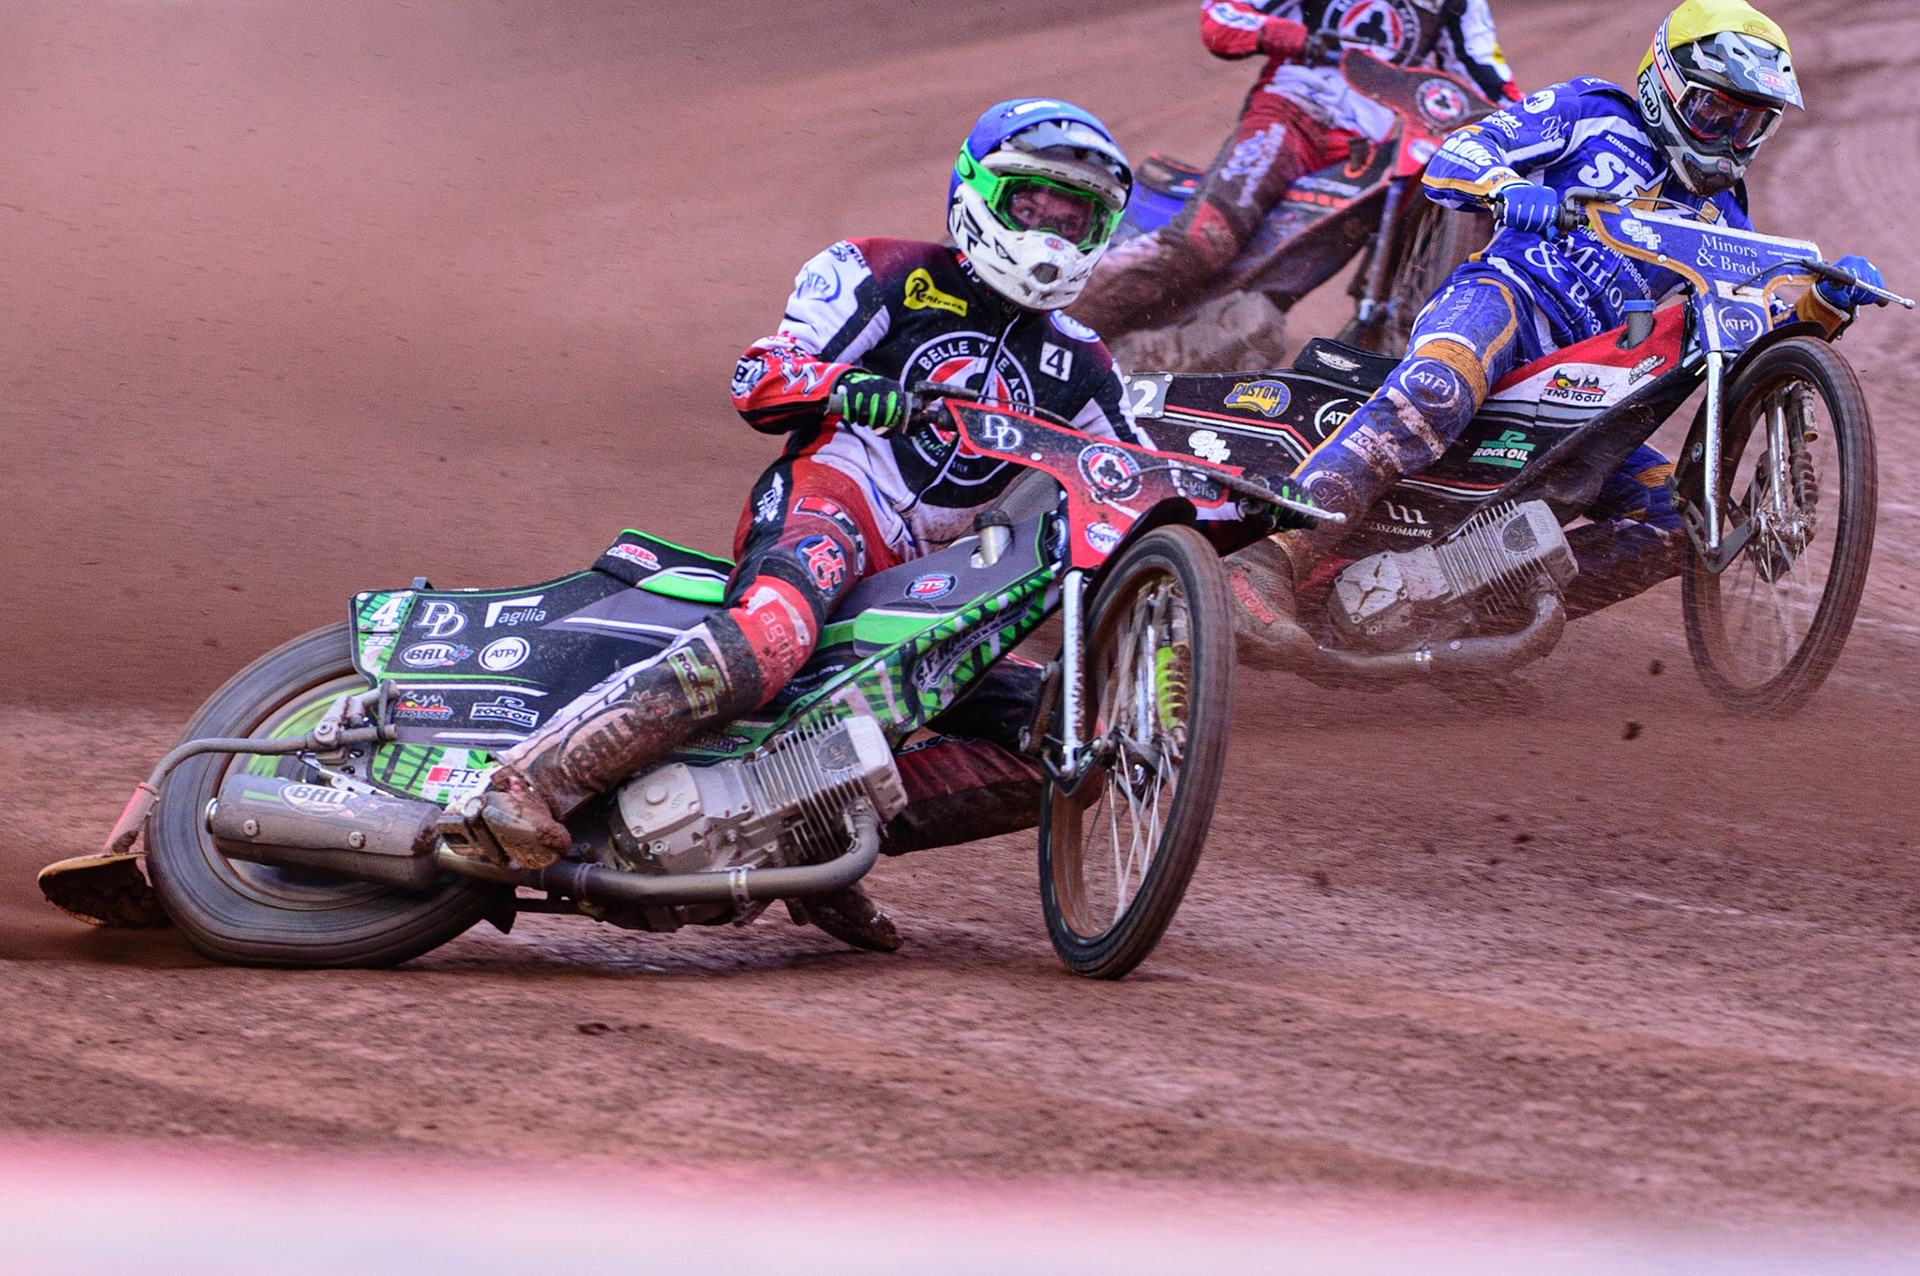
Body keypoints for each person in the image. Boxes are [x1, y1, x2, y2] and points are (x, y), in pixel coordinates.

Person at [468, 99, 1142, 950]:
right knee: (776, 636)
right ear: (978, 194)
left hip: (933, 583)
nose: (1051, 229)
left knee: (1069, 738)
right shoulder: (881, 271)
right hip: (834, 500)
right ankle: (530, 780)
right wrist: (838, 387)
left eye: (1074, 214)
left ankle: (809, 838)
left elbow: (1133, 490)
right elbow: (761, 373)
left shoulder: (1083, 362)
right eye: (1032, 204)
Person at [1229, 0, 1889, 661]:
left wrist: (1822, 298)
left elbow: (1753, 322)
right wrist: (1504, 186)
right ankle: (1265, 560)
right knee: (1438, 388)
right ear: (1665, 83)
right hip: (1505, 302)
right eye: (1714, 111)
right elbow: (1458, 151)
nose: (1725, 137)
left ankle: (1467, 618)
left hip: (1589, 392)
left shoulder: (1724, 213)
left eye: (1748, 123)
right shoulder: (1594, 111)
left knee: (1680, 521)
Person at [1071, 0, 1520, 339]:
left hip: (1373, 149)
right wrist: (1291, 35)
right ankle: (1063, 323)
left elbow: (1487, 78)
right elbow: (1222, 17)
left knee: (1273, 285)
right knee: (1205, 240)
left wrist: (1531, 128)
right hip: (1291, 113)